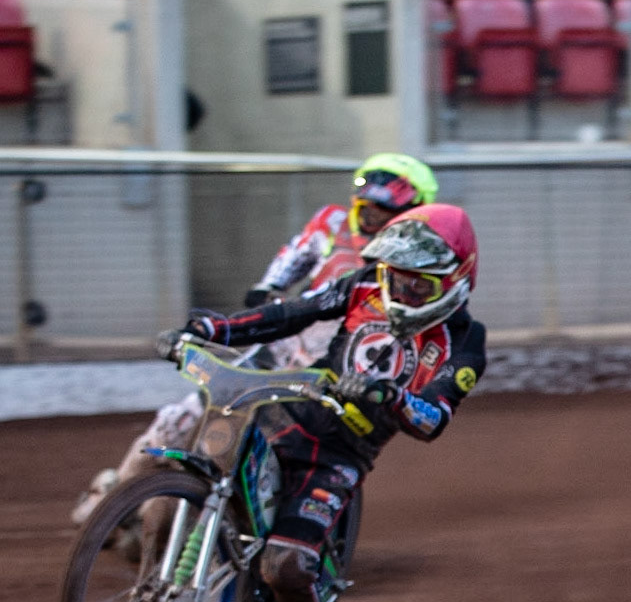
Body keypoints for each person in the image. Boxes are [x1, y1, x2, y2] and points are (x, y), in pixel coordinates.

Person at [157, 205, 488, 602]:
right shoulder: (360, 287)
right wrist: (214, 330)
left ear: (457, 279)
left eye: (419, 285)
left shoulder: (464, 340)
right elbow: (288, 315)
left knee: (285, 562)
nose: (401, 292)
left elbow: (434, 418)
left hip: (339, 454)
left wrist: (391, 396)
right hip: (285, 415)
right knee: (200, 467)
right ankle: (171, 593)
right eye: (394, 277)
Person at [73, 155, 440, 526]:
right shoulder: (333, 222)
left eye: (384, 210)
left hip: (327, 375)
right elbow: (296, 254)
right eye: (368, 206)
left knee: (266, 450)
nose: (372, 216)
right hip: (280, 350)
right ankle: (112, 496)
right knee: (181, 417)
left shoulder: (417, 268)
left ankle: (230, 532)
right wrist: (270, 287)